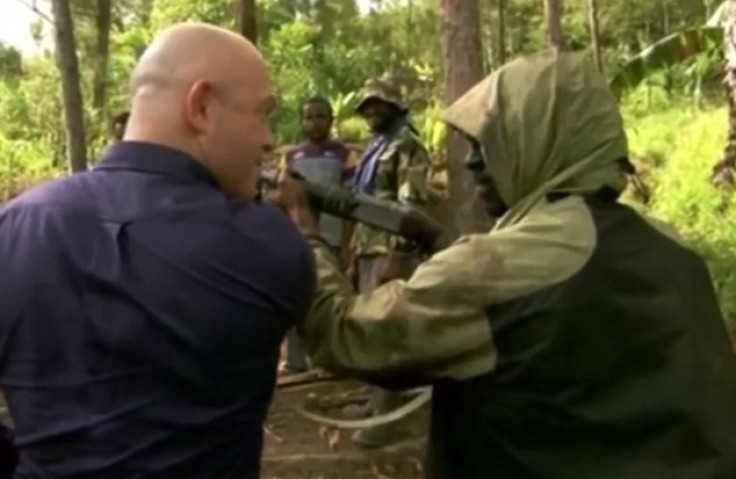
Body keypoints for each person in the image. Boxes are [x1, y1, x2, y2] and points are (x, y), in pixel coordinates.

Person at [275, 49, 736, 478]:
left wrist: (303, 229)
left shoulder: (492, 268)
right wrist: (441, 242)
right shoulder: (677, 252)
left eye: (492, 142)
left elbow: (344, 335)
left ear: (541, 143)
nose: (472, 163)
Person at [0, 22, 315, 479]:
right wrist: (307, 227)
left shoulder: (15, 227)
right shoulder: (267, 244)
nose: (268, 140)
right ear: (201, 106)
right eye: (262, 114)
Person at [345, 77, 432, 448]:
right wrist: (352, 249)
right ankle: (373, 399)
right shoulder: (375, 146)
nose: (371, 112)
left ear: (395, 107)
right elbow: (360, 200)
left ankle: (386, 416)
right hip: (369, 246)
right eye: (367, 107)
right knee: (370, 329)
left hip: (391, 252)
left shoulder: (408, 144)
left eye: (378, 105)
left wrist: (399, 255)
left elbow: (411, 206)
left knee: (389, 330)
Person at [277, 96, 358, 376]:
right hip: (297, 238)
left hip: (331, 240)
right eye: (309, 117)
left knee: (328, 297)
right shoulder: (292, 157)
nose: (314, 122)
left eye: (320, 116)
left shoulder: (343, 155)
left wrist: (348, 244)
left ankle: (327, 361)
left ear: (331, 120)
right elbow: (282, 198)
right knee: (295, 297)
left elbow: (351, 203)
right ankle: (297, 360)